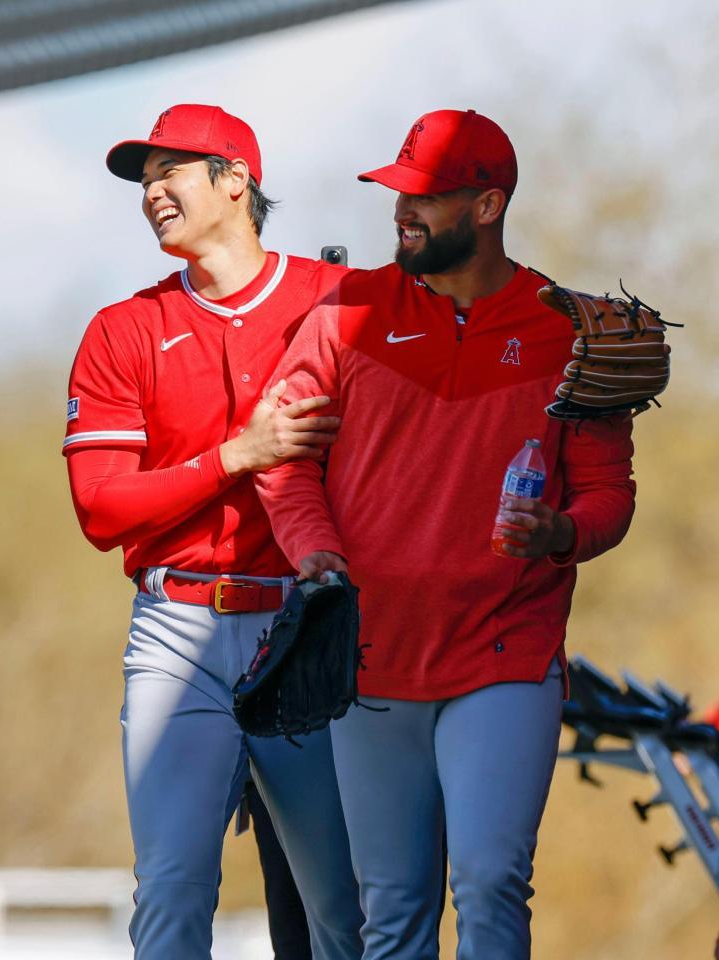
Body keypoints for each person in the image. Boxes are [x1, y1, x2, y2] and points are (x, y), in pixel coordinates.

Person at [256, 108, 637, 960]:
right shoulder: (344, 316)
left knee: (492, 879)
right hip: (369, 659)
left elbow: (612, 494)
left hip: (506, 651)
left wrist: (563, 532)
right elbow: (284, 464)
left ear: (488, 205)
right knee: (390, 911)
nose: (402, 214)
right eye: (398, 194)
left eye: (425, 199)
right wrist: (315, 551)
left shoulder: (576, 332)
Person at [63, 103, 363, 960]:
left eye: (171, 172)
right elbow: (101, 510)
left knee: (345, 905)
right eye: (144, 179)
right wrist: (240, 454)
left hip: (307, 629)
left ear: (236, 182)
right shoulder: (125, 328)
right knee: (171, 893)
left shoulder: (343, 300)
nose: (152, 191)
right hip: (177, 632)